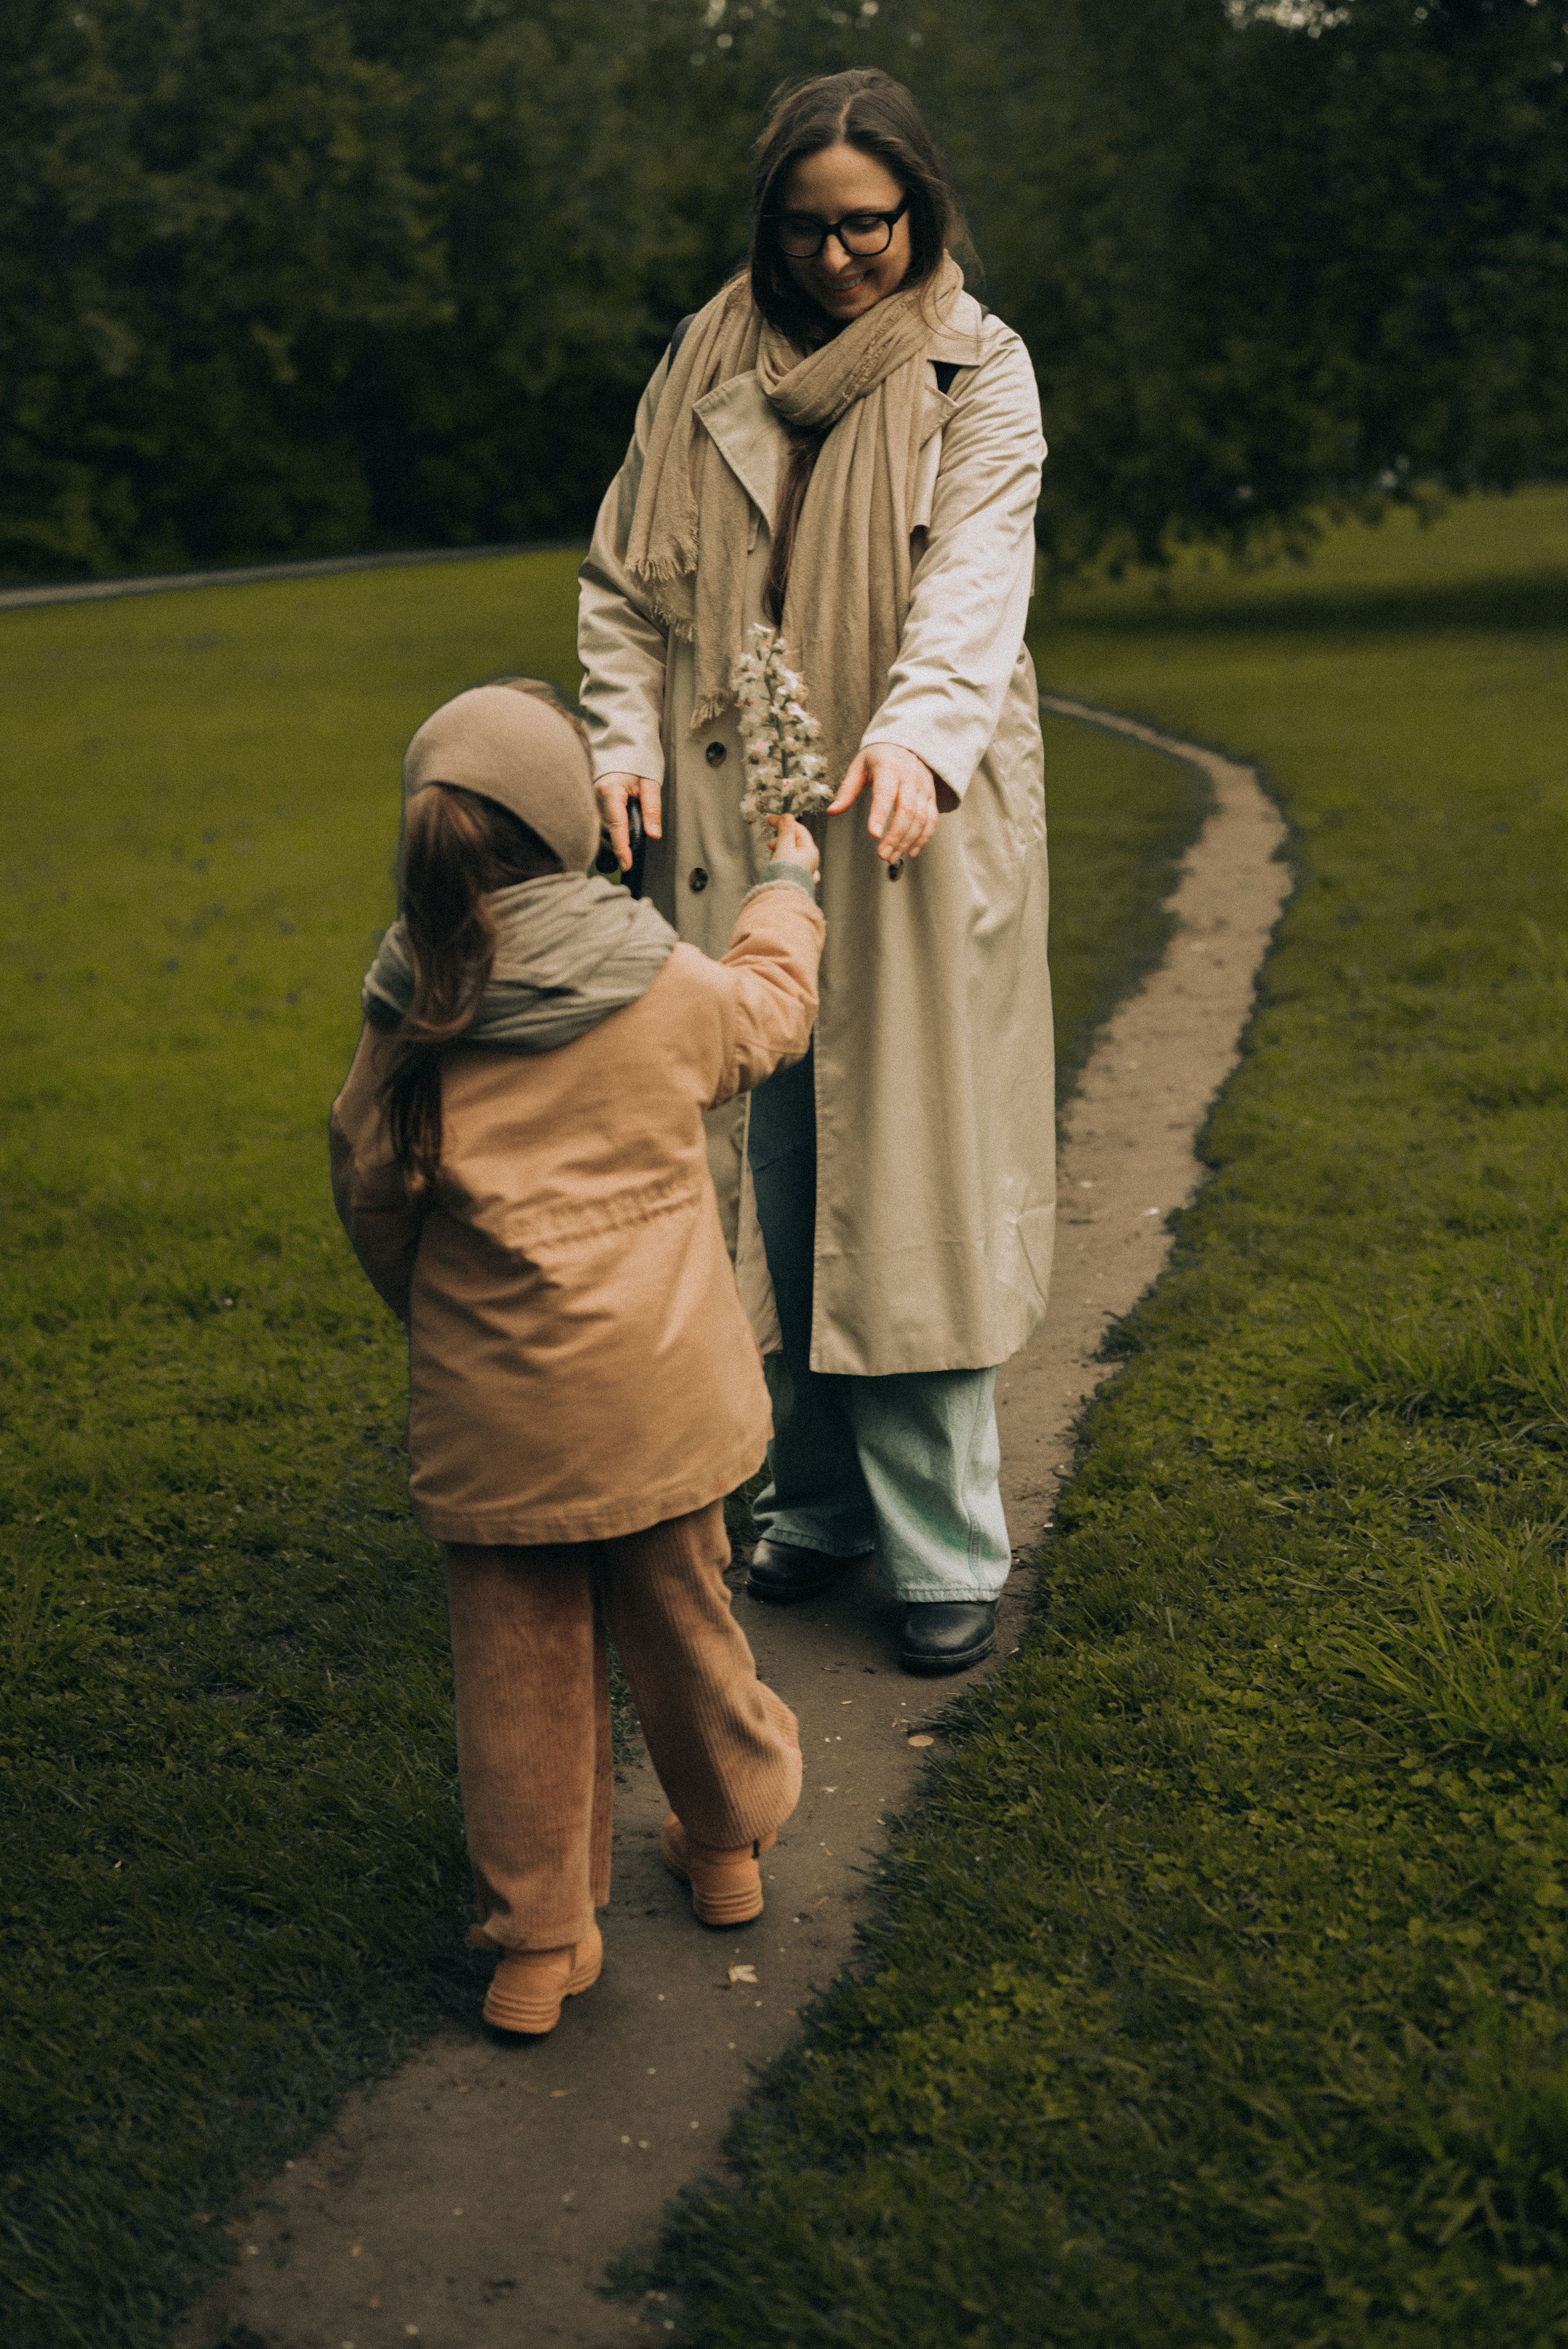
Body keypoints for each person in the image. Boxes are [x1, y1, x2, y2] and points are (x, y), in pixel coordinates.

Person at [578, 69, 1054, 1677]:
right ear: (766, 223)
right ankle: (819, 1500)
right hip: (730, 819)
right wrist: (619, 741)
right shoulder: (703, 354)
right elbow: (623, 579)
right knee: (762, 1170)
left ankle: (943, 1544)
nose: (838, 256)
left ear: (920, 209)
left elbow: (977, 576)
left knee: (902, 1178)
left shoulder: (977, 366)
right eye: (805, 227)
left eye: (868, 224)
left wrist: (916, 741)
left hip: (902, 811)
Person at [329, 680, 826, 2035]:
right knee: (686, 1626)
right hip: (661, 1401)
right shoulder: (653, 979)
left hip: (498, 1420)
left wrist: (436, 1315)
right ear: (569, 830)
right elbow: (766, 1018)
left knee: (521, 1676)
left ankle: (538, 1948)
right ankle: (726, 1842)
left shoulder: (411, 1006)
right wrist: (785, 893)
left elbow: (371, 1184)